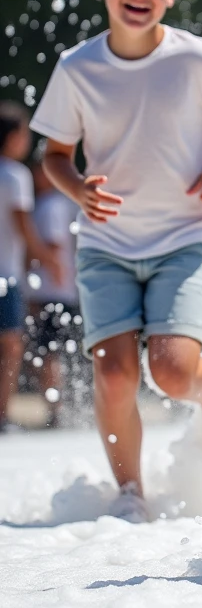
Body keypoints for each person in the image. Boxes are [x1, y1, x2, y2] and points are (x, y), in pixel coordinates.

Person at [30, 0, 202, 520]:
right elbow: (52, 156)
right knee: (112, 374)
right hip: (104, 243)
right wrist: (78, 188)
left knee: (171, 372)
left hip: (184, 238)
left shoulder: (195, 58)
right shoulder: (78, 68)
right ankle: (130, 494)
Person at [0, 103, 60, 432]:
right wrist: (49, 260)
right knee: (11, 348)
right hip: (5, 277)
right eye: (23, 133)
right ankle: (3, 416)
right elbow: (24, 227)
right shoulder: (16, 175)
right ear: (11, 138)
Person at [25, 159, 81, 427]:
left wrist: (28, 263)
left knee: (48, 353)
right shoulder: (57, 203)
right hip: (59, 290)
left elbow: (54, 247)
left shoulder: (51, 205)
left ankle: (56, 409)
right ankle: (59, 404)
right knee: (52, 352)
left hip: (52, 291)